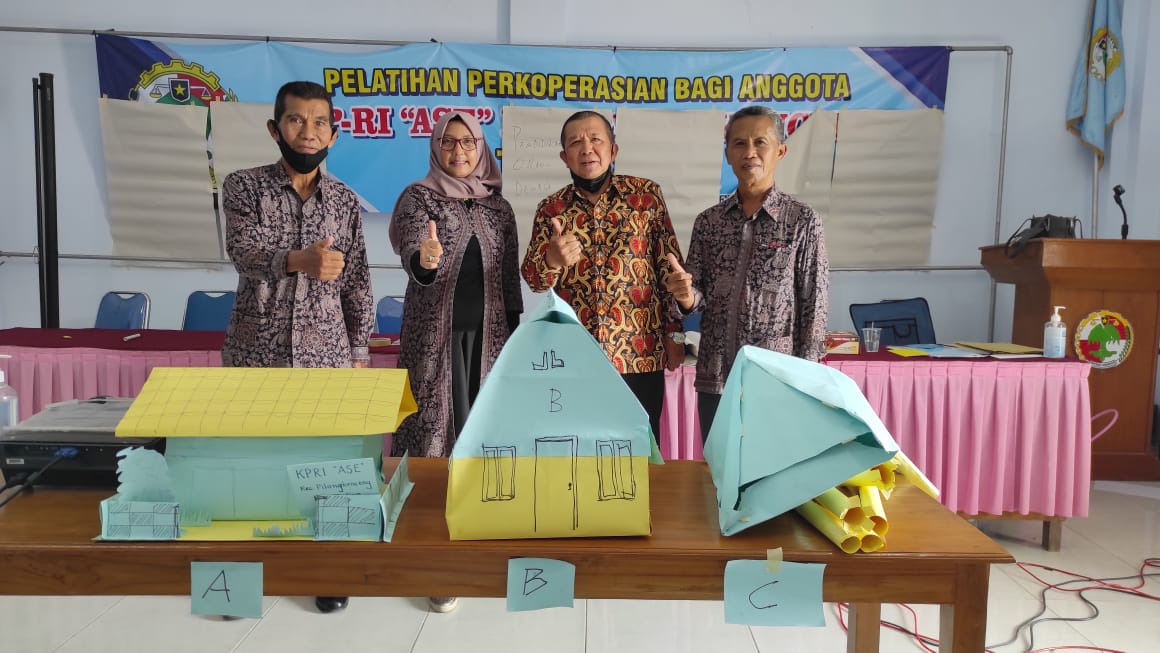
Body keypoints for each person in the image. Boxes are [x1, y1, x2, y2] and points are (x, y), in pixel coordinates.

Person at [221, 80, 373, 615]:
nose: (308, 132)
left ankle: (325, 572)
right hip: (255, 353)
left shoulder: (345, 202)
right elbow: (242, 250)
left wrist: (359, 353)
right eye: (295, 120)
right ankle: (241, 581)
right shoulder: (243, 187)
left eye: (319, 122)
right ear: (275, 128)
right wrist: (297, 260)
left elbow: (357, 281)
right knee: (251, 470)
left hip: (325, 358)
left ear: (334, 135)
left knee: (326, 472)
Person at [389, 110, 523, 614]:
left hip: (489, 343)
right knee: (431, 437)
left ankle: (479, 543)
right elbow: (412, 251)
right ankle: (431, 558)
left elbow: (509, 280)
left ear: (482, 147)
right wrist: (423, 259)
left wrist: (514, 339)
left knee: (481, 437)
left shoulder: (499, 207)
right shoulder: (418, 198)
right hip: (434, 342)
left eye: (468, 142)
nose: (459, 151)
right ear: (436, 147)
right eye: (449, 142)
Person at [665, 105, 829, 439]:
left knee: (773, 466)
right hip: (716, 378)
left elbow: (814, 305)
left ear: (780, 151)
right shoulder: (709, 222)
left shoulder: (802, 221)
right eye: (739, 143)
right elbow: (695, 297)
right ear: (727, 154)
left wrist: (807, 380)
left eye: (760, 142)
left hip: (776, 379)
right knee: (719, 467)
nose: (749, 152)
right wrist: (684, 296)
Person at [521, 110, 684, 442]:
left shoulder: (646, 197)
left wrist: (675, 335)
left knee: (639, 448)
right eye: (575, 142)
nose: (587, 149)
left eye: (596, 139)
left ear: (613, 150)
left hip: (639, 353)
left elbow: (670, 270)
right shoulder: (551, 209)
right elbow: (535, 281)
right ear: (564, 157)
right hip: (574, 357)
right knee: (578, 448)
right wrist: (552, 259)